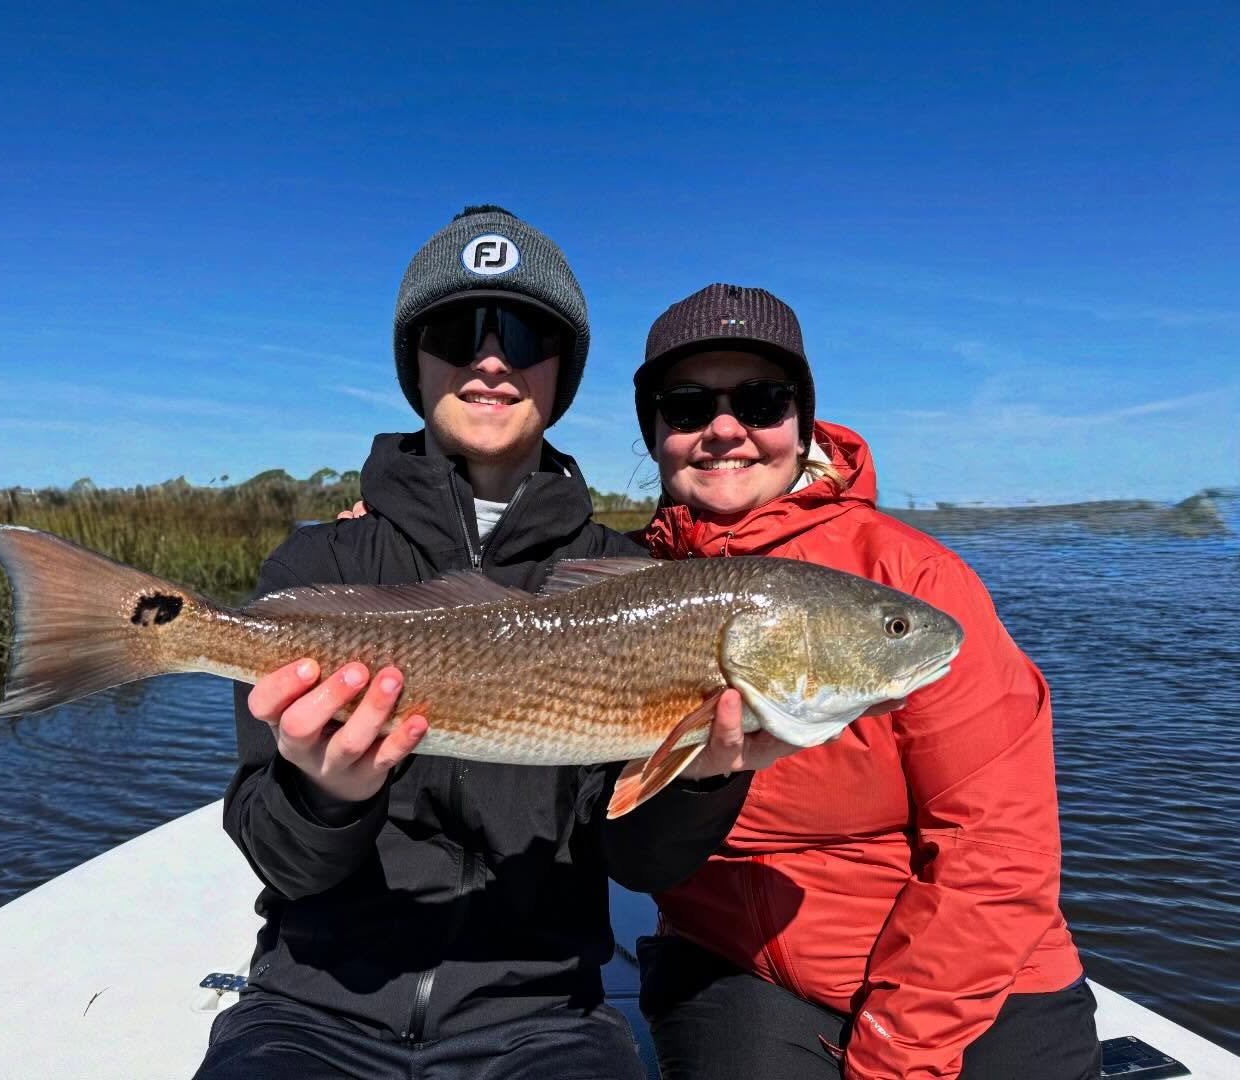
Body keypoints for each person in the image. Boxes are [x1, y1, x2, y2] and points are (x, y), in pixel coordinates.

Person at [193, 210, 769, 1080]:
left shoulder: (632, 579)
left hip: (544, 1022)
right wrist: (324, 796)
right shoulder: (317, 564)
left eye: (526, 332)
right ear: (413, 361)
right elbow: (281, 861)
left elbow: (638, 864)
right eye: (457, 331)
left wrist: (707, 777)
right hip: (311, 1005)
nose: (491, 359)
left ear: (563, 368)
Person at [629, 284, 1102, 1080]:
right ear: (654, 433)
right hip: (740, 966)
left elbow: (998, 851)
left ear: (801, 421)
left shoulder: (914, 579)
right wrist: (374, 539)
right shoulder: (629, 576)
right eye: (684, 406)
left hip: (976, 976)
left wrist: (896, 1053)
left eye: (761, 399)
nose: (722, 429)